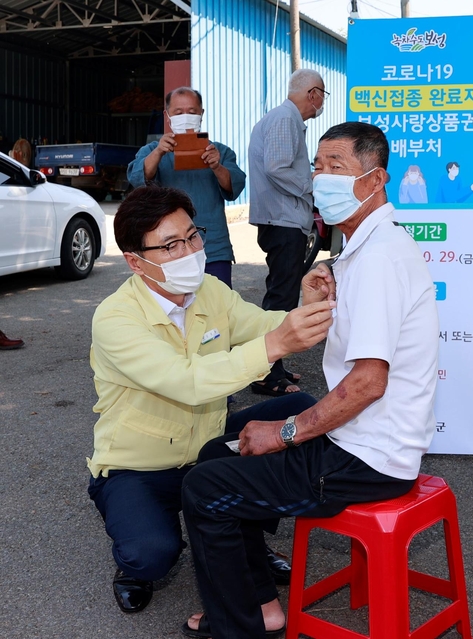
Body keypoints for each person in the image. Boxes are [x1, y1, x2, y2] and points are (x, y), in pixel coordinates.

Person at [180, 122, 440, 639]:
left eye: (337, 167)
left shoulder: (380, 259)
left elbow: (367, 384)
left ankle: (240, 627)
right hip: (364, 439)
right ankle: (260, 604)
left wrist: (285, 433)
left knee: (204, 487)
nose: (322, 177)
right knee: (217, 455)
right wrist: (315, 302)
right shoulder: (364, 248)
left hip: (368, 458)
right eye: (318, 166)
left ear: (375, 179)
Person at [87, 186, 336, 615]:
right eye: (170, 245)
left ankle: (246, 537)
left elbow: (262, 327)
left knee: (299, 412)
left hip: (206, 449)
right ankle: (136, 563)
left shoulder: (209, 290)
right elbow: (186, 382)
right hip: (139, 466)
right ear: (134, 262)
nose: (189, 251)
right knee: (151, 553)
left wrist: (304, 308)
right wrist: (276, 342)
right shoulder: (115, 318)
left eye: (192, 236)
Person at [248, 68, 326, 396]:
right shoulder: (285, 118)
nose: (322, 101)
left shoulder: (286, 119)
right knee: (280, 298)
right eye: (323, 93)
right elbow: (277, 167)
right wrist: (313, 187)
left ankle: (273, 366)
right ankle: (265, 371)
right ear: (312, 94)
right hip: (282, 221)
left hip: (284, 220)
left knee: (282, 295)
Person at [128, 87, 246, 288]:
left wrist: (217, 166)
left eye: (192, 112)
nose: (185, 117)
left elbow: (234, 186)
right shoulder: (152, 151)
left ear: (202, 114)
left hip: (213, 247)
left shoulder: (219, 151)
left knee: (219, 307)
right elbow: (137, 178)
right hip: (168, 249)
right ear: (167, 116)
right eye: (178, 112)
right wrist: (158, 153)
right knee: (175, 309)